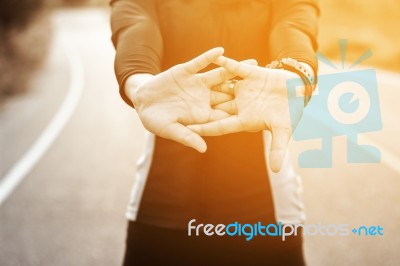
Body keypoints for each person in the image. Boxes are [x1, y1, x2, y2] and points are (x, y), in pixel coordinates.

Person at [110, 0, 319, 265]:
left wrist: (297, 72)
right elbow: (135, 23)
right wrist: (139, 82)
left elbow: (294, 24)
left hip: (266, 217)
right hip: (160, 209)